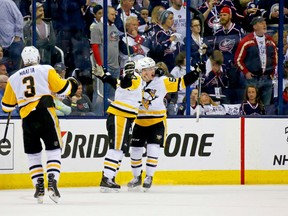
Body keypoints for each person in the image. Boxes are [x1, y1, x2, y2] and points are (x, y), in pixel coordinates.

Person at [1, 46, 78, 203]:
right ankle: (52, 180)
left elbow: (6, 107)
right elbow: (62, 88)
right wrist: (72, 83)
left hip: (27, 118)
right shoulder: (45, 69)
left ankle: (39, 186)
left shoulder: (13, 78)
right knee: (54, 150)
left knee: (33, 155)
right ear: (37, 57)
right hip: (45, 113)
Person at [127, 57, 203, 191]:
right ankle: (136, 176)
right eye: (146, 69)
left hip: (157, 121)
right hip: (139, 121)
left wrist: (196, 73)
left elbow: (182, 82)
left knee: (153, 148)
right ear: (139, 71)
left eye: (151, 68)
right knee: (135, 150)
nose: (150, 71)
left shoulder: (162, 81)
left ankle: (149, 176)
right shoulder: (135, 82)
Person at [93, 61, 143, 192]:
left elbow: (116, 83)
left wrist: (104, 76)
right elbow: (127, 83)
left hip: (123, 117)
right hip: (120, 116)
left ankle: (110, 178)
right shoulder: (136, 78)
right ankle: (106, 179)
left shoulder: (126, 81)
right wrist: (130, 74)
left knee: (120, 149)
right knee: (116, 149)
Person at [234, 16, 278, 106]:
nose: (264, 25)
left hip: (267, 78)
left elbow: (275, 57)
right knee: (250, 105)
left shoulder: (270, 40)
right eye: (261, 23)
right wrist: (246, 72)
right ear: (255, 26)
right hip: (252, 79)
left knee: (266, 106)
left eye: (265, 23)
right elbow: (237, 60)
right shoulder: (246, 41)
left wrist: (273, 72)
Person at [91, 6, 120, 115]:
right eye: (112, 14)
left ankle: (109, 116)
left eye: (115, 14)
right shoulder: (97, 28)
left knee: (112, 96)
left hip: (115, 66)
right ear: (105, 14)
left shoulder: (114, 28)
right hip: (104, 67)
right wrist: (100, 65)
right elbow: (95, 47)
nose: (114, 16)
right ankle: (97, 117)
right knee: (100, 95)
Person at [213, 6, 245, 104]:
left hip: (235, 68)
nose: (222, 17)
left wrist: (235, 63)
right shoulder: (218, 32)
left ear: (230, 16)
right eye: (221, 15)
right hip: (222, 69)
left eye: (224, 15)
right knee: (225, 93)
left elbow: (242, 49)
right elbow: (215, 51)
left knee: (237, 92)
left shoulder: (238, 31)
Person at [0, 0, 25, 75]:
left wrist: (17, 35)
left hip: (14, 42)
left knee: (15, 72)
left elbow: (19, 18)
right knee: (3, 71)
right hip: (2, 45)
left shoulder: (7, 2)